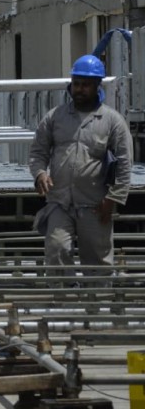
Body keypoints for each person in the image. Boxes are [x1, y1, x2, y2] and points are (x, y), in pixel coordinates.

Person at [28, 55, 132, 277]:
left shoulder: (112, 121)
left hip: (95, 204)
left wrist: (113, 199)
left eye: (86, 85)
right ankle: (62, 304)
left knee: (97, 260)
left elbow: (124, 163)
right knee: (56, 251)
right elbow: (38, 152)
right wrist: (39, 174)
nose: (80, 89)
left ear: (97, 86)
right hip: (59, 202)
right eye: (76, 83)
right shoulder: (55, 117)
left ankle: (98, 306)